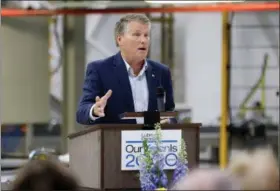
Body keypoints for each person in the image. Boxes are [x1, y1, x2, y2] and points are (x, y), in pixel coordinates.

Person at [76, 14, 175, 125]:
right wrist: (94, 110)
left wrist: (169, 121)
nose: (143, 40)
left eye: (146, 35)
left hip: (153, 141)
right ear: (120, 39)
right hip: (114, 140)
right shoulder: (99, 70)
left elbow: (170, 111)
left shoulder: (161, 72)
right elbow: (81, 112)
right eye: (137, 35)